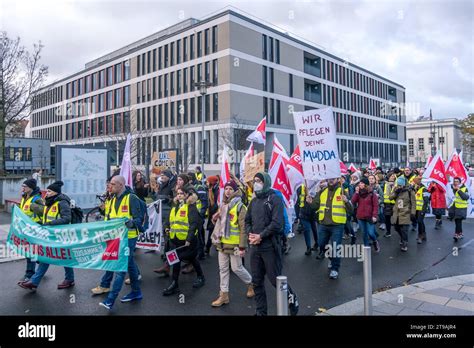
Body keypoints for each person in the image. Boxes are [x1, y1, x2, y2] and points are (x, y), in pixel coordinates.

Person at [245, 172, 299, 316]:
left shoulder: (274, 199)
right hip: (255, 247)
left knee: (276, 280)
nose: (256, 183)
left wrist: (261, 236)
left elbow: (277, 223)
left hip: (270, 246)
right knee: (256, 281)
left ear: (266, 182)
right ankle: (261, 311)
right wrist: (250, 234)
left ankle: (293, 300)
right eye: (255, 180)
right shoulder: (254, 201)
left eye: (259, 181)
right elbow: (247, 220)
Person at [18, 181, 75, 291]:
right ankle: (69, 279)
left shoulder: (62, 202)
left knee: (50, 258)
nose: (46, 193)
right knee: (61, 258)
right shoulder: (49, 202)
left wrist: (49, 224)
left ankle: (34, 282)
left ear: (55, 193)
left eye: (49, 191)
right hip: (50, 235)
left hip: (60, 235)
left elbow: (67, 218)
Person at [98, 175, 143, 310]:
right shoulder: (111, 199)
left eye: (112, 184)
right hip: (115, 237)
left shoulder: (132, 199)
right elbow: (110, 217)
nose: (109, 186)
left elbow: (139, 218)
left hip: (129, 238)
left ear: (121, 185)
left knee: (121, 267)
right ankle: (136, 292)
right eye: (109, 184)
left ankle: (110, 300)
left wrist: (132, 223)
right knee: (129, 264)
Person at [210, 180, 254, 307]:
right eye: (226, 189)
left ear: (235, 191)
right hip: (222, 242)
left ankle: (251, 284)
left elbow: (243, 228)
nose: (228, 191)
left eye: (230, 189)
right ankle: (224, 295)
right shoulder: (223, 205)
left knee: (237, 268)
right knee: (223, 269)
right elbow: (221, 224)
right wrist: (215, 218)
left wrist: (242, 246)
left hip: (234, 245)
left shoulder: (240, 207)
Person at [162, 185, 205, 296]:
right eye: (178, 193)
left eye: (182, 194)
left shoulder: (191, 206)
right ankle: (175, 284)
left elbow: (194, 224)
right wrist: (166, 227)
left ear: (186, 195)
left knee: (183, 259)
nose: (179, 195)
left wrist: (189, 239)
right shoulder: (175, 206)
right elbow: (168, 220)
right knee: (179, 259)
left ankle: (200, 277)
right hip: (175, 239)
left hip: (187, 241)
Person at [310, 177, 353, 279]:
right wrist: (310, 202)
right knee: (321, 244)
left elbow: (351, 210)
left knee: (335, 247)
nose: (331, 180)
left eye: (333, 178)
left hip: (337, 225)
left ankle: (335, 269)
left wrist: (346, 201)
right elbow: (314, 206)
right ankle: (331, 257)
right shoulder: (323, 191)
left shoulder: (342, 191)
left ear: (337, 179)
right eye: (329, 178)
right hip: (324, 224)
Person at [18, 178, 44, 282]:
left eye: (25, 186)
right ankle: (41, 265)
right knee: (30, 252)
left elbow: (43, 211)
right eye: (22, 186)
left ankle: (30, 274)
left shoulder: (36, 199)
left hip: (34, 228)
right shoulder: (24, 197)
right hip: (25, 228)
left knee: (30, 252)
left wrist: (35, 207)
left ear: (31, 188)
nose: (23, 188)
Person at [153, 169, 177, 275]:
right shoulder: (162, 185)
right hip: (163, 215)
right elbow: (156, 198)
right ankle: (168, 263)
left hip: (170, 216)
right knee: (167, 240)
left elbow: (175, 199)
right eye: (161, 175)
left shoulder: (173, 185)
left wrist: (167, 199)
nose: (161, 176)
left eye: (163, 175)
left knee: (171, 241)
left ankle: (170, 263)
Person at [351, 177, 380, 252]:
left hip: (369, 217)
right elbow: (353, 201)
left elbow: (376, 205)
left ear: (366, 185)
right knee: (364, 233)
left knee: (371, 233)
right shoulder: (359, 193)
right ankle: (366, 247)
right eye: (359, 183)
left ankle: (375, 241)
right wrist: (356, 193)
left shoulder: (372, 194)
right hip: (360, 216)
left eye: (361, 183)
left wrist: (374, 216)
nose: (359, 184)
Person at [390, 176, 416, 252]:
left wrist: (413, 213)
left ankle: (405, 243)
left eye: (401, 185)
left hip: (406, 212)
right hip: (397, 212)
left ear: (404, 184)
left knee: (404, 229)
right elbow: (390, 198)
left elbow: (413, 203)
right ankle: (402, 238)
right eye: (398, 184)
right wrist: (396, 192)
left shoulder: (409, 191)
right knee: (396, 228)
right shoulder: (396, 189)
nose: (399, 186)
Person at [190, 172, 209, 260]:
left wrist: (201, 214)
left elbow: (204, 202)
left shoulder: (199, 187)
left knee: (199, 235)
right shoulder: (191, 187)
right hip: (194, 215)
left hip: (198, 215)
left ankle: (201, 253)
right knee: (198, 233)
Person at [297, 184, 318, 255]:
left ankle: (317, 243)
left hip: (313, 213)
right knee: (307, 229)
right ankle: (308, 247)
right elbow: (297, 201)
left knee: (314, 229)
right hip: (303, 213)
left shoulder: (317, 186)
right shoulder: (300, 187)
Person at [449, 177, 469, 241]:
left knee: (458, 221)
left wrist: (458, 189)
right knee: (457, 221)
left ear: (460, 182)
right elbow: (451, 186)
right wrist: (455, 188)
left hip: (462, 208)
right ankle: (460, 233)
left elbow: (465, 197)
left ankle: (457, 234)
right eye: (454, 181)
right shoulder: (454, 187)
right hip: (456, 207)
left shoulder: (465, 188)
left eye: (457, 181)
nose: (455, 182)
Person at [204, 175, 220, 255]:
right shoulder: (212, 189)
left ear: (211, 182)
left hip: (215, 214)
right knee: (213, 231)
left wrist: (214, 212)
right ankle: (213, 246)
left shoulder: (217, 190)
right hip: (213, 213)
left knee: (212, 231)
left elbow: (216, 203)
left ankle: (207, 247)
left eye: (207, 181)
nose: (206, 183)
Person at [413, 176, 430, 244]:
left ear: (419, 181)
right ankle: (424, 234)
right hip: (416, 209)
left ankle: (420, 236)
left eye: (415, 181)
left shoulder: (424, 189)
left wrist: (423, 210)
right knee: (420, 222)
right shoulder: (415, 188)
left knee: (420, 221)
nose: (414, 183)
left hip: (421, 209)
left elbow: (426, 201)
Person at [382, 172, 396, 238]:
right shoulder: (385, 184)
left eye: (394, 176)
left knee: (396, 219)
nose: (393, 177)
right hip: (387, 204)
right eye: (391, 176)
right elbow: (382, 194)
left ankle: (399, 231)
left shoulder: (397, 184)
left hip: (394, 204)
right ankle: (388, 232)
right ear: (388, 177)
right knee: (387, 219)